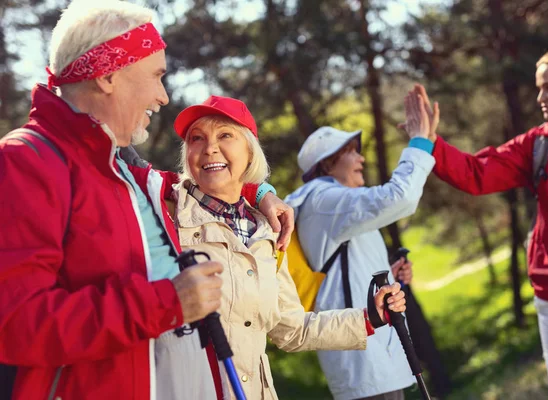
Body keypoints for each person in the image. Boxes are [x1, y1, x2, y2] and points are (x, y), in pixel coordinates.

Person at [0, 1, 292, 399]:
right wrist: (167, 302)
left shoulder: (124, 171)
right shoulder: (27, 160)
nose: (162, 96)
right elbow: (16, 325)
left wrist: (261, 193)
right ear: (108, 76)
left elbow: (213, 183)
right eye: (156, 76)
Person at [171, 95, 407, 400]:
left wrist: (369, 317)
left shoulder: (267, 231)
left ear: (249, 150)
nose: (209, 147)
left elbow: (292, 329)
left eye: (225, 135)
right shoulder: (165, 213)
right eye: (196, 138)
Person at [407, 45, 548, 400]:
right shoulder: (537, 145)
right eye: (539, 87)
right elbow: (477, 174)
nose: (541, 96)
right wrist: (429, 142)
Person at [283, 96, 437, 399]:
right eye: (351, 152)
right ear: (327, 164)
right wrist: (419, 143)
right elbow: (400, 197)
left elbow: (344, 267)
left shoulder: (331, 204)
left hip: (372, 356)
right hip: (364, 358)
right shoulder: (323, 199)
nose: (361, 159)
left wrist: (390, 275)